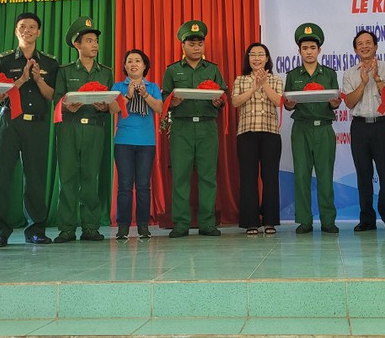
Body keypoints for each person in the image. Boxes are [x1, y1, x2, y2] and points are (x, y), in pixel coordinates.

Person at [0, 12, 58, 247]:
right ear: (16, 31)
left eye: (32, 27)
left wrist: (38, 79)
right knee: (1, 176)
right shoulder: (3, 60)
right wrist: (21, 80)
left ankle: (36, 230)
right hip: (8, 121)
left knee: (36, 177)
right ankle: (0, 231)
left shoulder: (50, 62)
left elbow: (52, 96)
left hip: (37, 124)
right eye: (22, 26)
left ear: (39, 32)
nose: (27, 30)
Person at [161, 20, 228, 238]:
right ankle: (181, 224)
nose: (196, 47)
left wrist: (219, 102)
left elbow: (223, 95)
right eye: (191, 44)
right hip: (182, 127)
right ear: (183, 45)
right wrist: (172, 102)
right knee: (180, 176)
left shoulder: (213, 69)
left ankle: (207, 223)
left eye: (200, 43)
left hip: (208, 126)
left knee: (208, 177)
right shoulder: (172, 70)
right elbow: (164, 98)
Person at [53, 16, 114, 243]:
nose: (95, 45)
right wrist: (66, 106)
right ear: (77, 44)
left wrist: (105, 107)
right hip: (69, 128)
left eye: (96, 41)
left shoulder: (106, 72)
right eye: (89, 41)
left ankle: (90, 226)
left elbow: (111, 101)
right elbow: (57, 99)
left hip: (95, 128)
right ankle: (66, 228)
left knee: (90, 177)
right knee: (67, 178)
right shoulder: (65, 71)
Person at [283, 23, 342, 234]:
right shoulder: (293, 75)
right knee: (301, 175)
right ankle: (304, 220)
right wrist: (289, 104)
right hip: (301, 128)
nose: (309, 52)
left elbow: (335, 102)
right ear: (299, 51)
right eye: (305, 48)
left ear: (319, 50)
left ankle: (328, 220)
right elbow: (288, 103)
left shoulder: (329, 74)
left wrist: (335, 103)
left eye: (312, 48)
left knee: (325, 175)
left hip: (324, 128)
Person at [342, 29, 385, 232]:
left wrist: (377, 79)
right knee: (363, 175)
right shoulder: (349, 73)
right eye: (360, 44)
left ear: (376, 46)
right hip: (359, 127)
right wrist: (363, 83)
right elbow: (349, 102)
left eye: (368, 43)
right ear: (355, 49)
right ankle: (367, 219)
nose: (364, 46)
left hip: (383, 126)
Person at [109, 49, 162, 240]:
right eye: (129, 61)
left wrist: (145, 94)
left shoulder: (152, 86)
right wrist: (128, 95)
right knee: (124, 186)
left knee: (143, 186)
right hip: (123, 141)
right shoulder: (118, 86)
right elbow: (112, 109)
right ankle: (123, 227)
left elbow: (159, 108)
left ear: (145, 65)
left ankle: (143, 226)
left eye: (138, 61)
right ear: (125, 66)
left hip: (146, 142)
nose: (133, 64)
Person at [232, 42, 283, 235]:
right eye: (252, 55)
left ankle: (270, 221)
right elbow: (235, 101)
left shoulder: (276, 79)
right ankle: (250, 222)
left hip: (270, 133)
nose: (256, 58)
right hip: (246, 133)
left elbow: (279, 101)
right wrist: (254, 87)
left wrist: (264, 84)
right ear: (248, 59)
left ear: (267, 58)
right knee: (248, 177)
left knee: (270, 178)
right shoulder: (240, 80)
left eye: (261, 54)